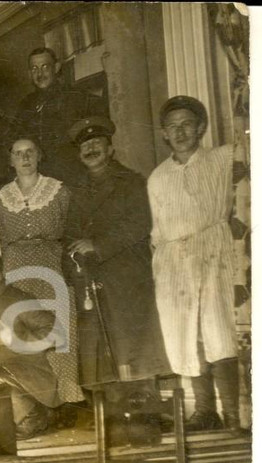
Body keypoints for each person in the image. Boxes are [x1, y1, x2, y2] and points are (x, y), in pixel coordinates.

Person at [147, 96, 242, 432]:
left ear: (200, 128)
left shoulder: (222, 158)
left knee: (219, 330)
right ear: (164, 134)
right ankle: (204, 411)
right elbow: (158, 229)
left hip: (213, 252)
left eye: (187, 124)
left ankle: (233, 414)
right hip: (173, 260)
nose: (180, 132)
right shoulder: (157, 177)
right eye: (172, 127)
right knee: (186, 333)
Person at [64, 116, 172, 404]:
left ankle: (145, 409)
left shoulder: (132, 182)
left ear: (110, 149)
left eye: (97, 143)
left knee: (132, 343)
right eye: (85, 146)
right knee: (100, 348)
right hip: (91, 279)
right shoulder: (76, 190)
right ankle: (110, 413)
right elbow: (70, 233)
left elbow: (139, 224)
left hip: (126, 277)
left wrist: (97, 245)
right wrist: (73, 267)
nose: (91, 149)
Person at [0, 136, 86, 407]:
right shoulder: (2, 197)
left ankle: (66, 398)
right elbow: (0, 237)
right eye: (18, 153)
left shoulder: (58, 191)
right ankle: (34, 402)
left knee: (59, 327)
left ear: (39, 155)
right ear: (11, 160)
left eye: (30, 152)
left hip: (51, 263)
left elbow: (71, 228)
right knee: (22, 329)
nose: (24, 158)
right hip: (15, 268)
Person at [0, 244, 61, 439]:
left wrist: (17, 340)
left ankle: (32, 415)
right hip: (3, 377)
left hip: (30, 379)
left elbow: (57, 334)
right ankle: (25, 415)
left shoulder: (18, 299)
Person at [13, 48, 108, 186]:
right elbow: (17, 140)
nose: (40, 74)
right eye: (34, 69)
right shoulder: (26, 104)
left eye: (45, 67)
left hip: (72, 177)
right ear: (29, 73)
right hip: (39, 179)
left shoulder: (77, 97)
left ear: (56, 68)